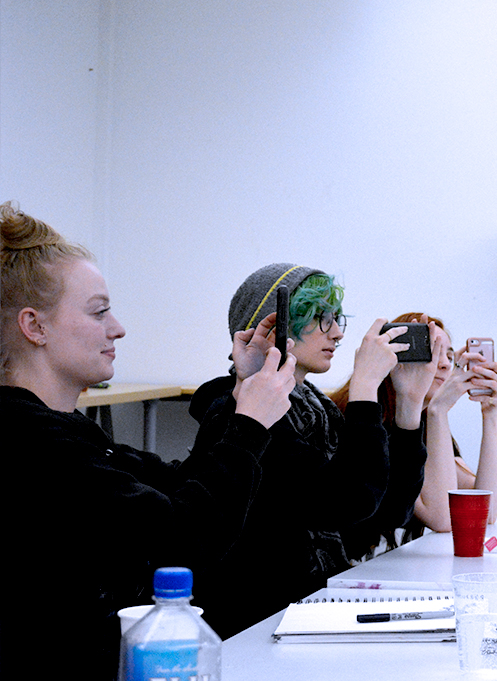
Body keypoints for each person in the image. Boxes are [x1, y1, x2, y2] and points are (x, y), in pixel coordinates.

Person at [0, 201, 296, 679]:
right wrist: (250, 425)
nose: (117, 328)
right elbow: (183, 540)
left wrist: (241, 394)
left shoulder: (69, 431)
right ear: (35, 326)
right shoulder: (29, 443)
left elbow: (182, 490)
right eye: (98, 313)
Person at [188, 264, 436, 638]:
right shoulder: (241, 414)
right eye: (321, 318)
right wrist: (365, 387)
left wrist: (409, 404)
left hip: (309, 610)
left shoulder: (315, 410)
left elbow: (389, 512)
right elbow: (347, 502)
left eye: (336, 318)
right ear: (273, 326)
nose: (336, 333)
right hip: (255, 625)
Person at [331, 312, 497, 547]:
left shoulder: (424, 423)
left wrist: (490, 415)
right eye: (432, 353)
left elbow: (486, 510)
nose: (444, 364)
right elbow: (443, 517)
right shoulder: (368, 424)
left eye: (450, 356)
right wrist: (439, 411)